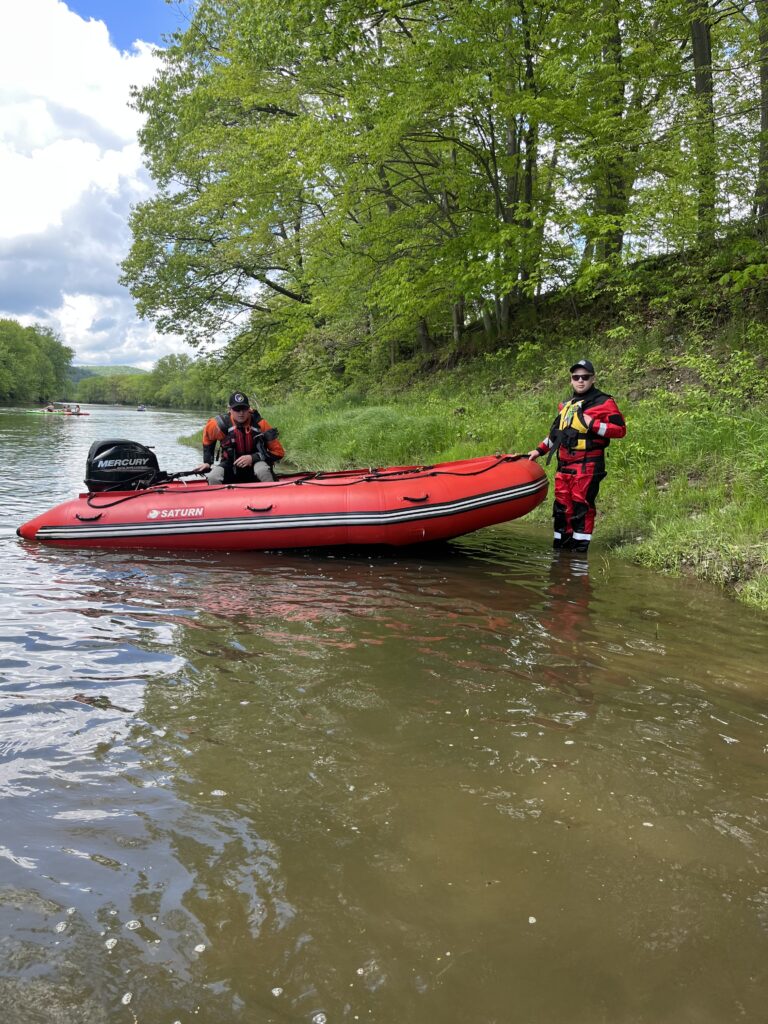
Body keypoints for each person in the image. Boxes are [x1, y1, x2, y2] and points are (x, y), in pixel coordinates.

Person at [528, 359, 626, 553]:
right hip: (564, 465)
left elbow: (620, 430)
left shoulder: (605, 402)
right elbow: (556, 435)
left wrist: (593, 424)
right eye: (576, 377)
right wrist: (538, 451)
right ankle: (560, 554)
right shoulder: (567, 405)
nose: (580, 381)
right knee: (562, 508)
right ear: (571, 380)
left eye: (585, 377)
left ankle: (579, 557)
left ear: (593, 379)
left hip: (587, 465)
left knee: (581, 507)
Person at [195, 391, 285, 484]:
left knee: (262, 471)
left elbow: (279, 453)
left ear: (249, 408)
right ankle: (220, 497)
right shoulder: (218, 425)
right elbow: (208, 441)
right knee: (213, 477)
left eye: (244, 409)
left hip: (257, 463)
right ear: (230, 409)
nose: (241, 413)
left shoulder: (260, 424)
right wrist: (207, 462)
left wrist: (253, 457)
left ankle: (270, 493)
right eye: (237, 409)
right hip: (230, 464)